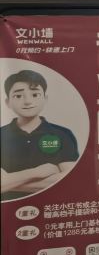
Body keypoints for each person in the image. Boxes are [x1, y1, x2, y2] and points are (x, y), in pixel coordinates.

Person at [1, 70, 79, 201]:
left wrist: (8, 183)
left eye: (35, 94)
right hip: (7, 208)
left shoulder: (62, 134)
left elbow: (69, 179)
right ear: (8, 102)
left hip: (51, 206)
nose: (27, 101)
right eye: (18, 96)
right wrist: (39, 172)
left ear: (45, 99)